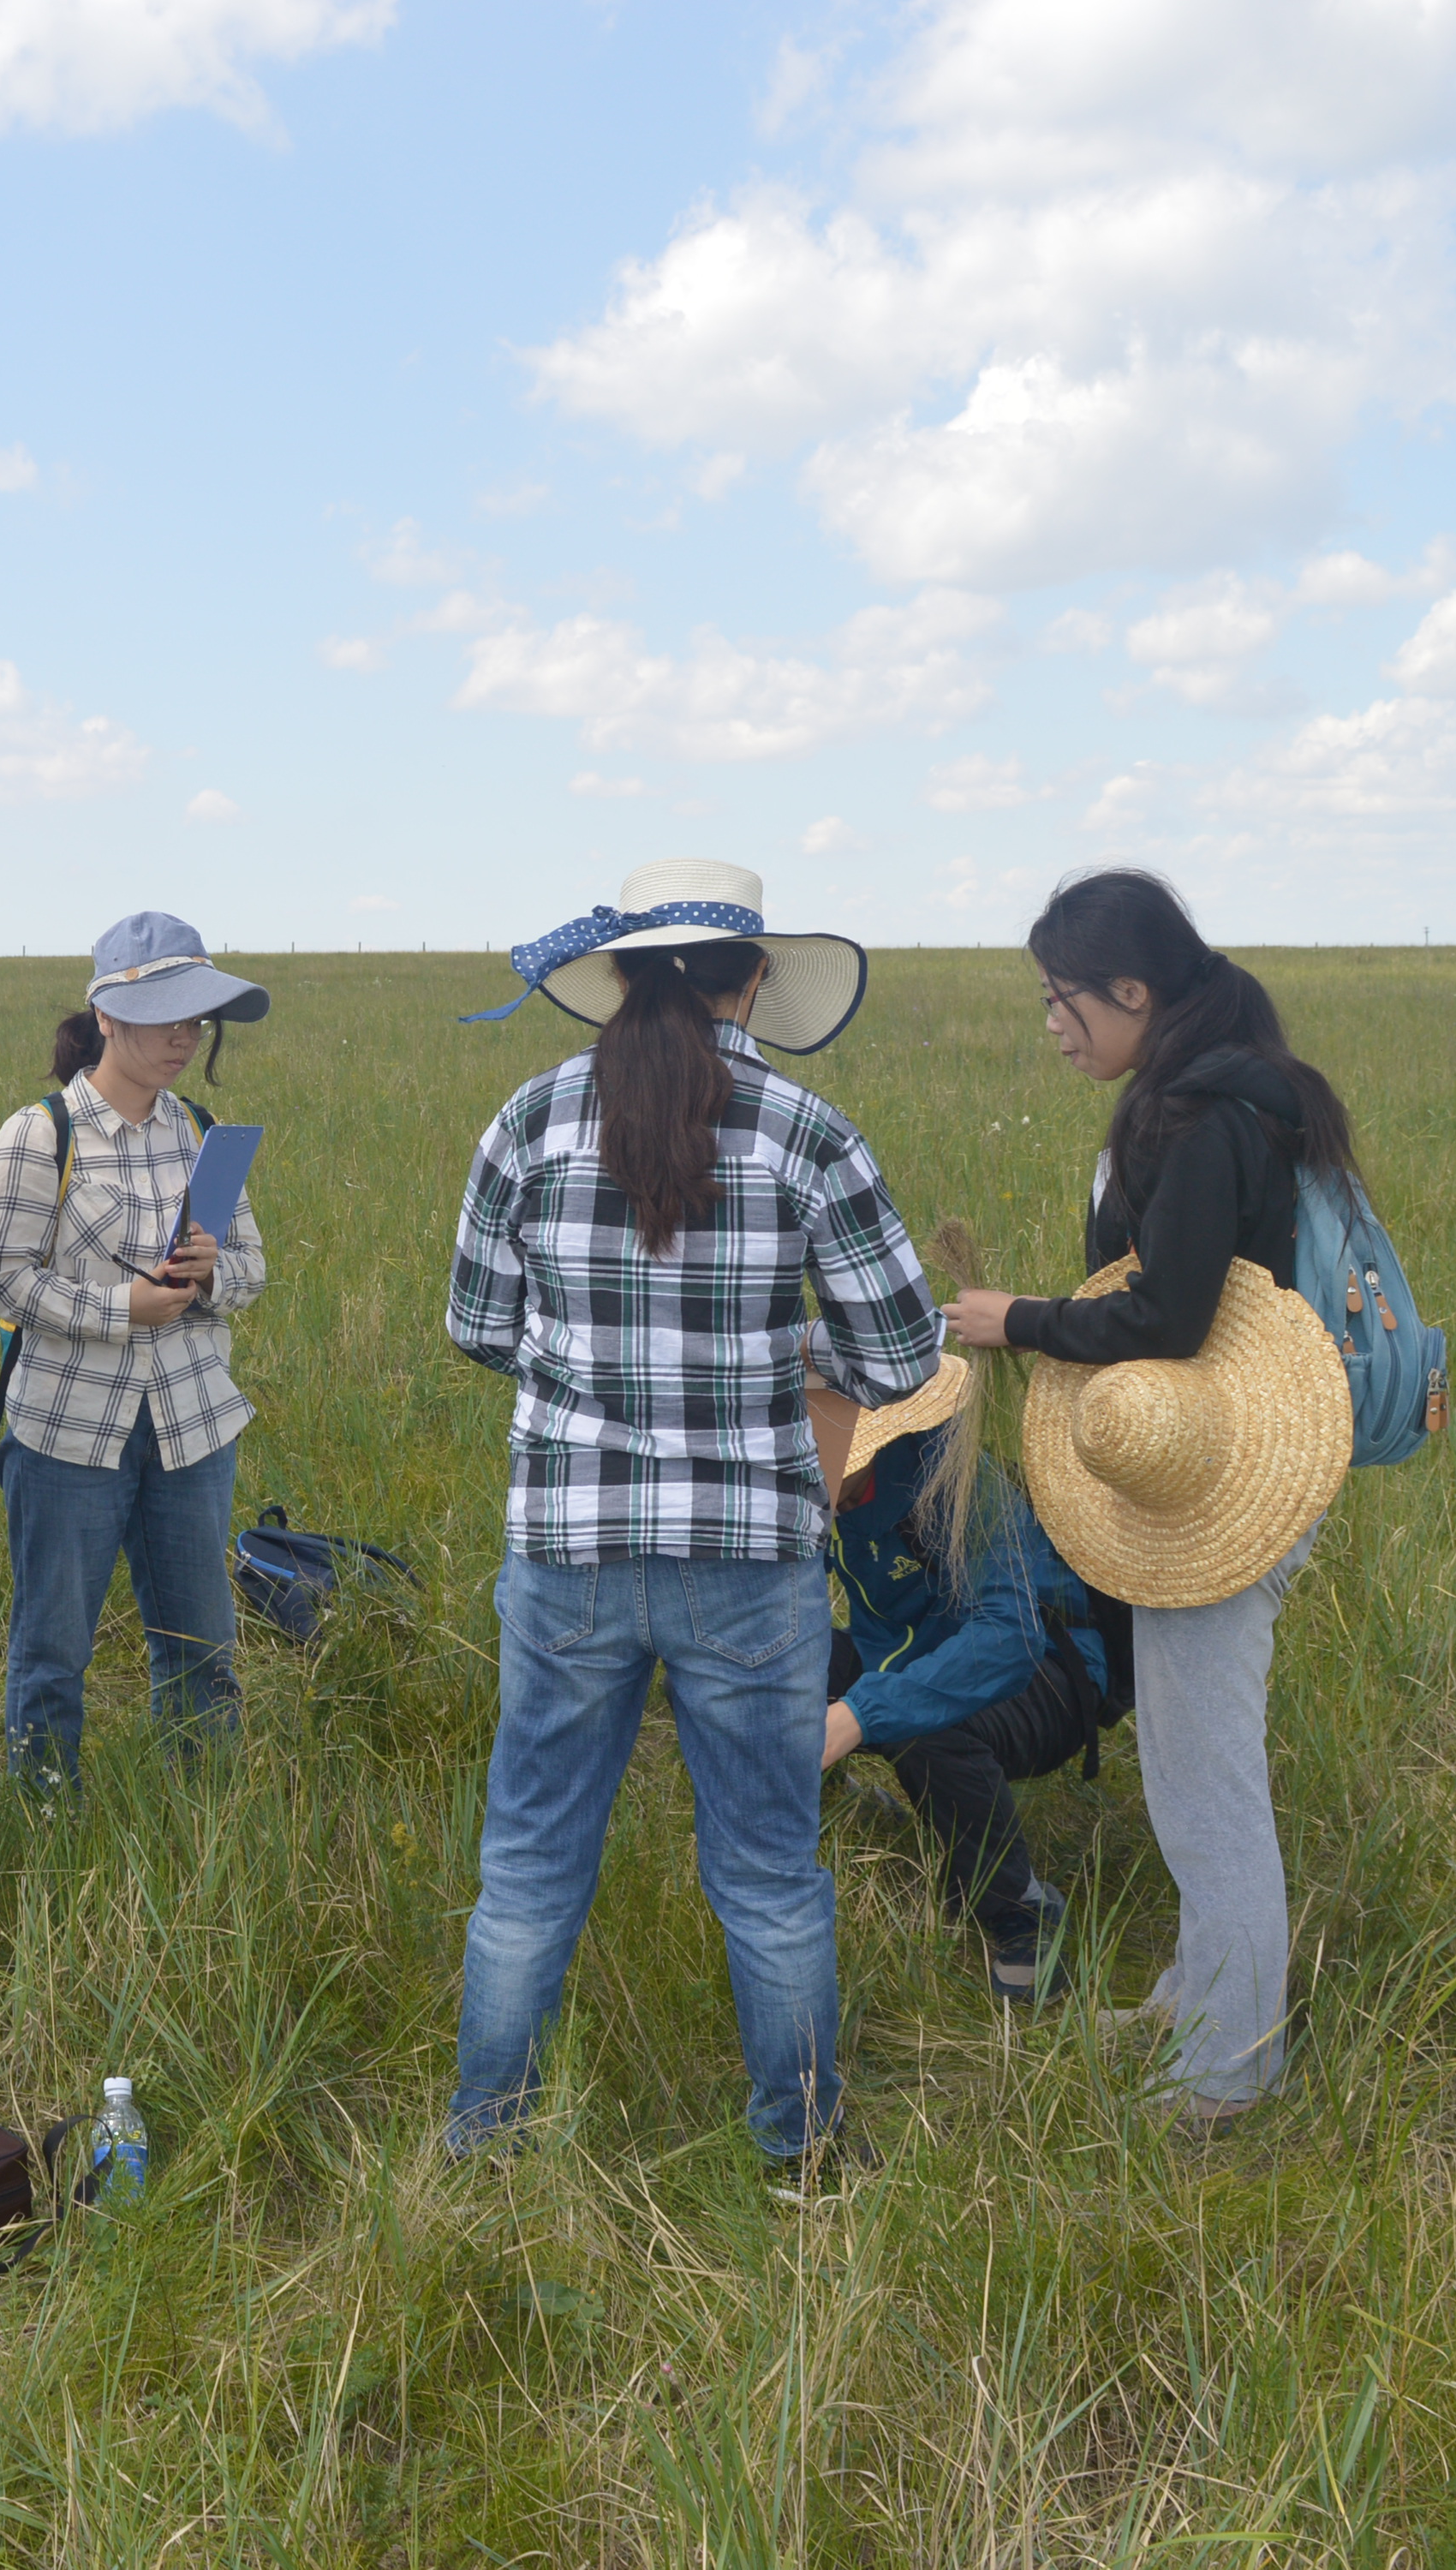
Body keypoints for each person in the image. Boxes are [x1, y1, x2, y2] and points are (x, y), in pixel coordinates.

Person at [440, 857, 938, 2180]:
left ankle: (485, 2149)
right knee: (770, 1878)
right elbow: (903, 1358)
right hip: (752, 1558)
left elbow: (478, 1326)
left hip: (569, 1550)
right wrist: (787, 1356)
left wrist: (591, 1367)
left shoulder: (529, 1119)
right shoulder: (809, 1130)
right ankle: (805, 2153)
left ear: (620, 975)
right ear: (755, 978)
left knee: (529, 1867)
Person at [937, 865, 1360, 2133]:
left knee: (1209, 1784)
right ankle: (1196, 2001)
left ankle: (1229, 2077)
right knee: (1185, 1766)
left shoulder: (1202, 1116)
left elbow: (1168, 1316)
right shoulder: (1225, 1090)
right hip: (1212, 1461)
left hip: (1219, 1477)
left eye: (1061, 998)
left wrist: (1018, 1320)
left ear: (1131, 991)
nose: (1051, 1025)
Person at [0, 913, 270, 1790]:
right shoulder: (40, 1134)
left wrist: (211, 1277)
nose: (184, 1037)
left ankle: (200, 1811)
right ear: (105, 1015)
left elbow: (252, 1269)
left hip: (193, 1423)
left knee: (201, 1645)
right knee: (52, 1647)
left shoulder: (204, 1132)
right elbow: (4, 1282)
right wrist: (123, 1309)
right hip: (67, 1431)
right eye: (163, 1017)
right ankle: (44, 1816)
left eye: (196, 1020)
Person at [811, 1356, 1119, 2005]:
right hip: (906, 1655)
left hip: (1049, 1674)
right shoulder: (819, 1495)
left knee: (927, 1729)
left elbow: (1010, 1638)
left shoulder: (956, 1482)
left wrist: (859, 1714)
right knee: (761, 1672)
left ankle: (1020, 1910)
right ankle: (821, 1800)